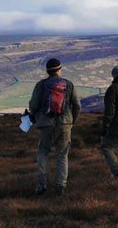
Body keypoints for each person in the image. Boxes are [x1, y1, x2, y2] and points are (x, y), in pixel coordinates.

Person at [27, 57, 81, 196]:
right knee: (62, 155)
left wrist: (36, 115)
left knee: (43, 153)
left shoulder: (41, 85)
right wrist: (72, 121)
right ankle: (60, 186)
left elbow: (33, 105)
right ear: (59, 69)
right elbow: (77, 105)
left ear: (48, 71)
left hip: (45, 124)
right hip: (65, 124)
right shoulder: (69, 84)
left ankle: (41, 185)